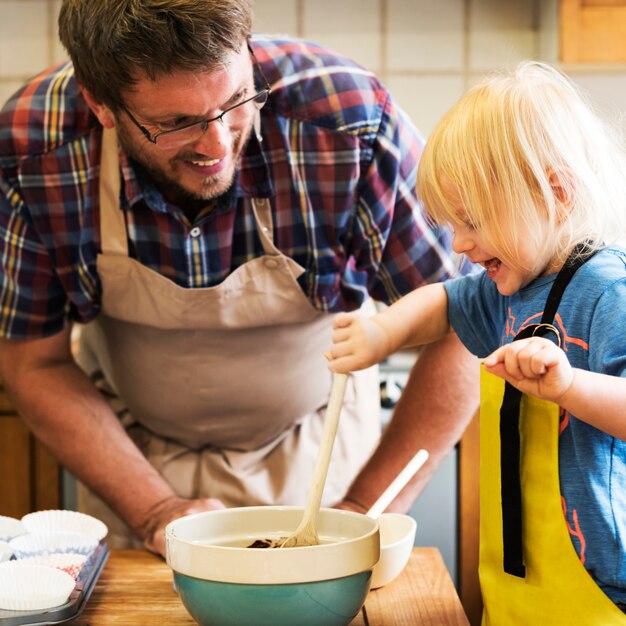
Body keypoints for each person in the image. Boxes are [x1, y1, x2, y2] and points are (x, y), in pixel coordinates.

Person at [0, 0, 478, 555]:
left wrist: (357, 511)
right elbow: (35, 362)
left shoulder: (347, 124)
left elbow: (461, 324)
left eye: (235, 102)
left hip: (318, 445)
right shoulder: (34, 149)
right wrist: (154, 509)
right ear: (101, 105)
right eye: (175, 123)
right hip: (129, 454)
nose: (218, 145)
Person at [327, 61, 626, 624]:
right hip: (516, 580)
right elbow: (442, 301)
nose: (461, 243)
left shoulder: (611, 292)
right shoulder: (508, 287)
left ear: (555, 195)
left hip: (603, 590)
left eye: (473, 220)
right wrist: (381, 332)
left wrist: (569, 384)